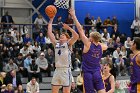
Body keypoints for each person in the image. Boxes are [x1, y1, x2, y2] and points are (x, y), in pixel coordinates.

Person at [69, 8, 107, 93]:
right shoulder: (102, 46)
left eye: (90, 36)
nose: (88, 37)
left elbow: (80, 29)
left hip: (88, 73)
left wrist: (74, 16)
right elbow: (106, 46)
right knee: (102, 91)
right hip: (97, 72)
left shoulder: (88, 44)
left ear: (92, 39)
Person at [48, 16, 79, 93]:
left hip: (65, 70)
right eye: (61, 34)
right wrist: (51, 20)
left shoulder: (68, 44)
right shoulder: (56, 44)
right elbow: (49, 33)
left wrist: (69, 28)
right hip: (57, 70)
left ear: (67, 38)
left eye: (64, 35)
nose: (61, 35)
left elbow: (76, 36)